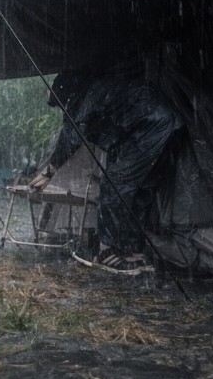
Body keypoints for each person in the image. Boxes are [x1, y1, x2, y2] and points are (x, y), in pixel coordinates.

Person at [29, 65, 182, 275]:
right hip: (168, 125)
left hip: (152, 127)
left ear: (66, 93)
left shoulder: (86, 95)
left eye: (61, 104)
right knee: (138, 191)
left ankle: (107, 252)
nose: (64, 108)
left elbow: (72, 133)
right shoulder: (103, 90)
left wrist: (50, 170)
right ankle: (130, 250)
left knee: (114, 187)